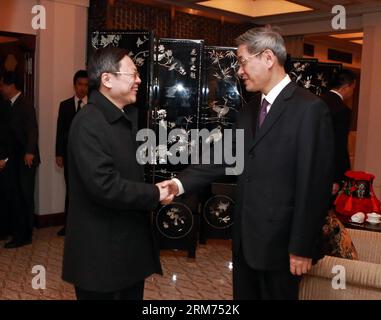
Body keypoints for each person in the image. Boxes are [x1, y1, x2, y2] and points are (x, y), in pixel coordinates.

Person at [159, 26, 334, 300]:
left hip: (282, 245)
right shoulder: (250, 109)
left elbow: (314, 185)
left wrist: (301, 247)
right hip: (244, 240)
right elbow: (226, 155)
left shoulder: (309, 109)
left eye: (242, 61)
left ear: (267, 58)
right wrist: (179, 183)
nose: (239, 71)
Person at [61, 47, 171, 300]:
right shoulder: (89, 122)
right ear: (107, 79)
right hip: (101, 256)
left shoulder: (123, 117)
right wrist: (154, 192)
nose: (139, 80)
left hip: (126, 250)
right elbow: (105, 185)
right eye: (132, 74)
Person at [0, 72, 40, 249]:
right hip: (12, 159)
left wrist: (30, 152)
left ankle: (24, 235)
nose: (0, 88)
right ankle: (13, 231)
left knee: (24, 196)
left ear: (10, 86)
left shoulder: (25, 104)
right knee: (13, 196)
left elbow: (32, 129)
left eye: (2, 85)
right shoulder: (6, 105)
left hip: (26, 159)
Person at [55, 70, 88, 236]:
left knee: (88, 190)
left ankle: (86, 227)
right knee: (71, 190)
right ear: (74, 85)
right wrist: (58, 154)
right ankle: (68, 225)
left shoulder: (93, 106)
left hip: (89, 157)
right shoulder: (65, 105)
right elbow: (60, 131)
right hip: (69, 156)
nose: (82, 88)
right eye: (80, 84)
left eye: (86, 85)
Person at [320, 69, 356, 196]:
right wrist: (338, 178)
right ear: (346, 87)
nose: (352, 93)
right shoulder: (342, 110)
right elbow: (339, 145)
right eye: (353, 89)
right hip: (329, 171)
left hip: (311, 166)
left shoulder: (316, 101)